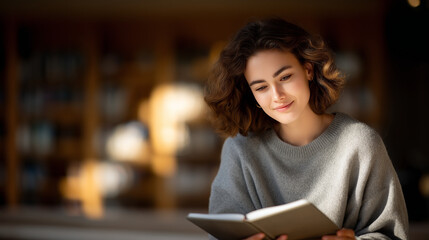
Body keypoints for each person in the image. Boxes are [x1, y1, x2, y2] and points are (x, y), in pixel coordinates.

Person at [204, 18, 408, 240]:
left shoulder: (360, 144)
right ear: (251, 94)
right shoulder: (240, 150)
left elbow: (391, 235)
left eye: (285, 77)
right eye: (261, 87)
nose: (277, 95)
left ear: (308, 70)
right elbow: (220, 234)